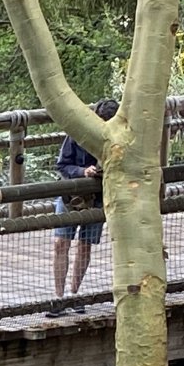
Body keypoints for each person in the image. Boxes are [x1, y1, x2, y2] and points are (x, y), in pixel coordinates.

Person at [47, 97, 119, 316]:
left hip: (98, 198)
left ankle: (74, 294)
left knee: (85, 245)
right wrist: (82, 172)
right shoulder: (76, 133)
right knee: (61, 243)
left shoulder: (118, 137)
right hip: (71, 196)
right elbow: (62, 165)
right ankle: (58, 298)